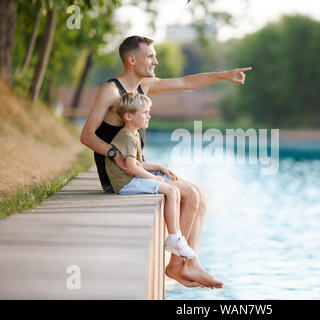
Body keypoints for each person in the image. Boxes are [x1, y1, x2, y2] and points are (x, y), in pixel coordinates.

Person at [80, 35, 251, 288]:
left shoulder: (144, 86)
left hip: (136, 169)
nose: (155, 61)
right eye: (150, 56)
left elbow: (185, 82)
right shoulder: (111, 90)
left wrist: (223, 75)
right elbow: (86, 135)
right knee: (190, 195)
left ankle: (189, 264)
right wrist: (115, 155)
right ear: (131, 59)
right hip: (121, 175)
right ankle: (177, 264)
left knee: (200, 196)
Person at [106, 92, 197, 260]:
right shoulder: (126, 136)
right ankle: (174, 237)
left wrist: (159, 167)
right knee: (170, 191)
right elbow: (132, 168)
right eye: (145, 112)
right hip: (126, 183)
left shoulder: (132, 133)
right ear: (129, 116)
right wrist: (153, 178)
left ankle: (175, 237)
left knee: (174, 191)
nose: (149, 115)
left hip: (130, 179)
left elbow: (137, 164)